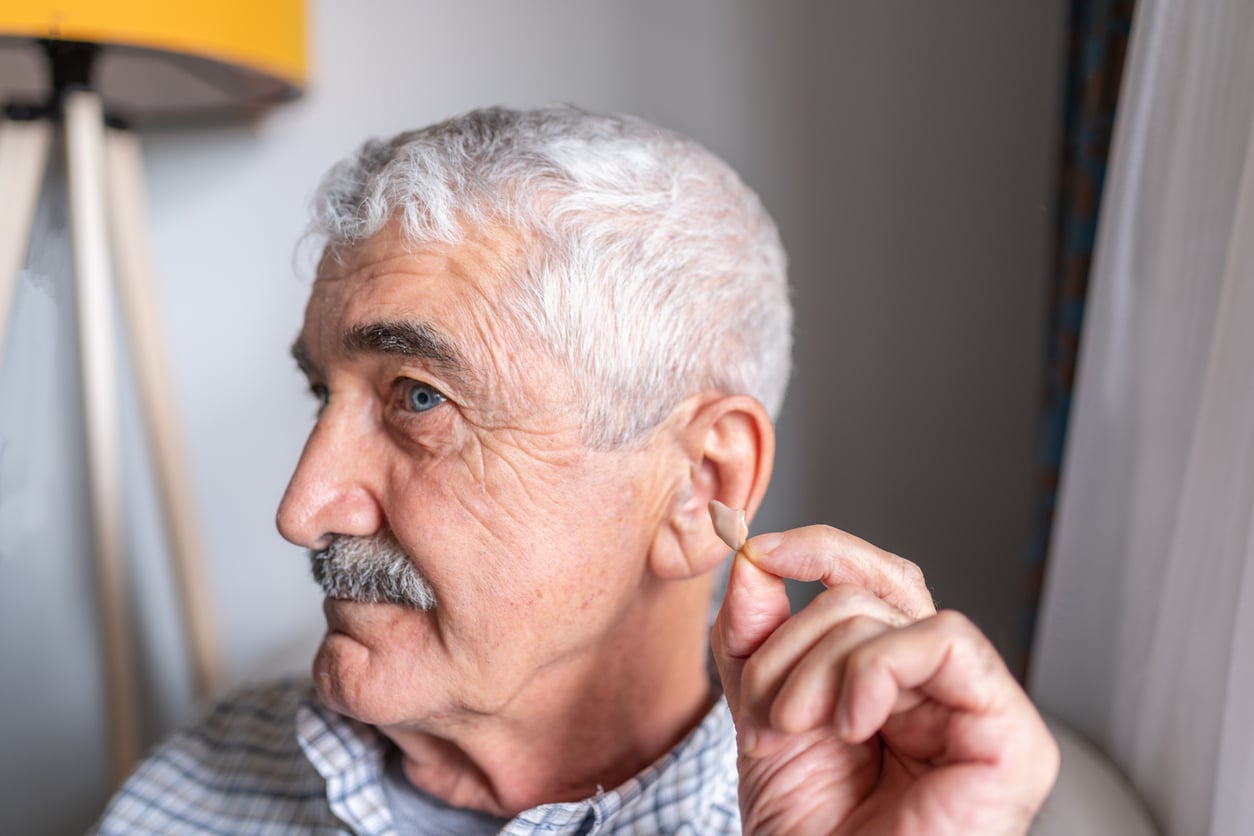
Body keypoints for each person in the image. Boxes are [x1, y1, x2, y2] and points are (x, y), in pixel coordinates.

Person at [95, 105, 1058, 834]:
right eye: (323, 395)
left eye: (420, 398)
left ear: (702, 487)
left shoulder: (857, 812)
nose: (304, 509)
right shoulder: (196, 786)